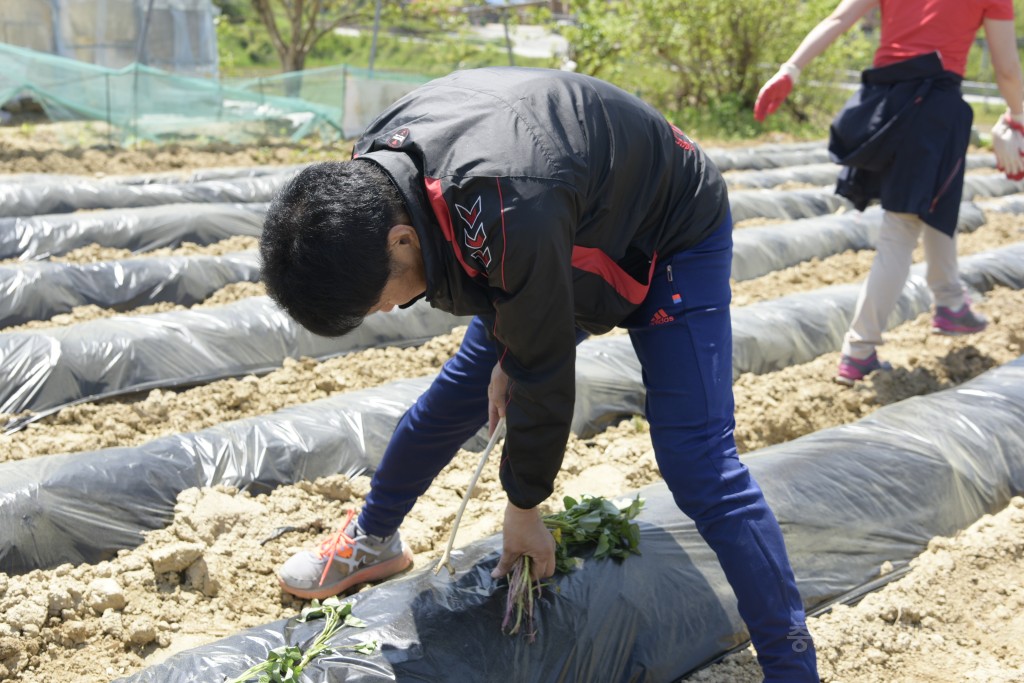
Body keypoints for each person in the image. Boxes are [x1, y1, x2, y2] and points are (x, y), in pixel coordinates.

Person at [260, 67, 819, 681]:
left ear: (399, 241)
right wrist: (507, 348)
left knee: (698, 463)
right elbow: (516, 306)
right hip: (559, 221)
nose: (388, 309)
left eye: (379, 299)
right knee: (460, 392)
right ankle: (372, 541)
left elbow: (545, 366)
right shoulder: (379, 170)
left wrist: (524, 507)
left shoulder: (506, 206)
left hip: (665, 230)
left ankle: (791, 664)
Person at [754, 0, 1024, 386]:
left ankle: (949, 300)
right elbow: (1007, 69)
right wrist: (1017, 116)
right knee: (901, 227)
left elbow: (839, 18)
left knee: (935, 200)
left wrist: (790, 69)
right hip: (932, 106)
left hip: (883, 102)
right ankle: (859, 351)